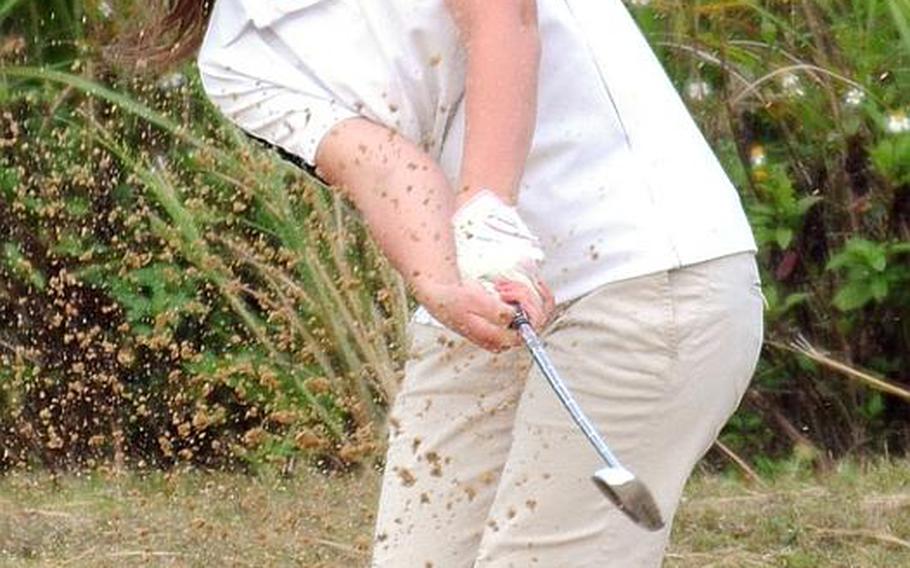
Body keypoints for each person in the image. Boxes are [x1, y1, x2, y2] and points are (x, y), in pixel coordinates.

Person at [167, 0, 764, 565]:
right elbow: (384, 165)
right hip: (485, 306)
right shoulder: (235, 55)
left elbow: (503, 21)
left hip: (646, 273)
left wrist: (487, 210)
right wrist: (440, 283)